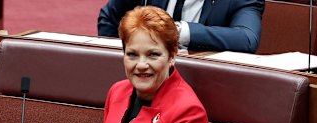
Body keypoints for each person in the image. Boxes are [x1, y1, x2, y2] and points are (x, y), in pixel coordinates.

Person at [93, 6, 209, 123]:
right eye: (132, 54)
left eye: (153, 55)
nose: (141, 65)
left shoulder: (188, 112)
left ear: (172, 56)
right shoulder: (117, 92)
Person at [97, 0, 264, 53]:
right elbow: (110, 18)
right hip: (140, 81)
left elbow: (247, 38)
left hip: (199, 86)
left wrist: (177, 31)